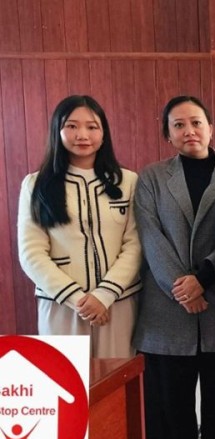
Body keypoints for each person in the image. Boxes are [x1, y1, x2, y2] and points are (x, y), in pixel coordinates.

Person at [132, 96, 215, 439]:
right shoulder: (151, 178)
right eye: (178, 125)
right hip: (167, 307)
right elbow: (149, 236)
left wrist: (203, 278)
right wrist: (181, 286)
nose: (188, 131)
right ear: (167, 134)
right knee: (172, 402)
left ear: (211, 127)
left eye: (196, 122)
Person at [17, 95, 141, 358]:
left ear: (104, 133)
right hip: (61, 305)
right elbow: (32, 253)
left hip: (118, 304)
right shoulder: (35, 184)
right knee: (67, 389)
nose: (82, 134)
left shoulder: (128, 181)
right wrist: (79, 300)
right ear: (57, 131)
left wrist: (104, 295)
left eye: (92, 126)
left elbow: (136, 245)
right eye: (72, 126)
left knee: (116, 390)